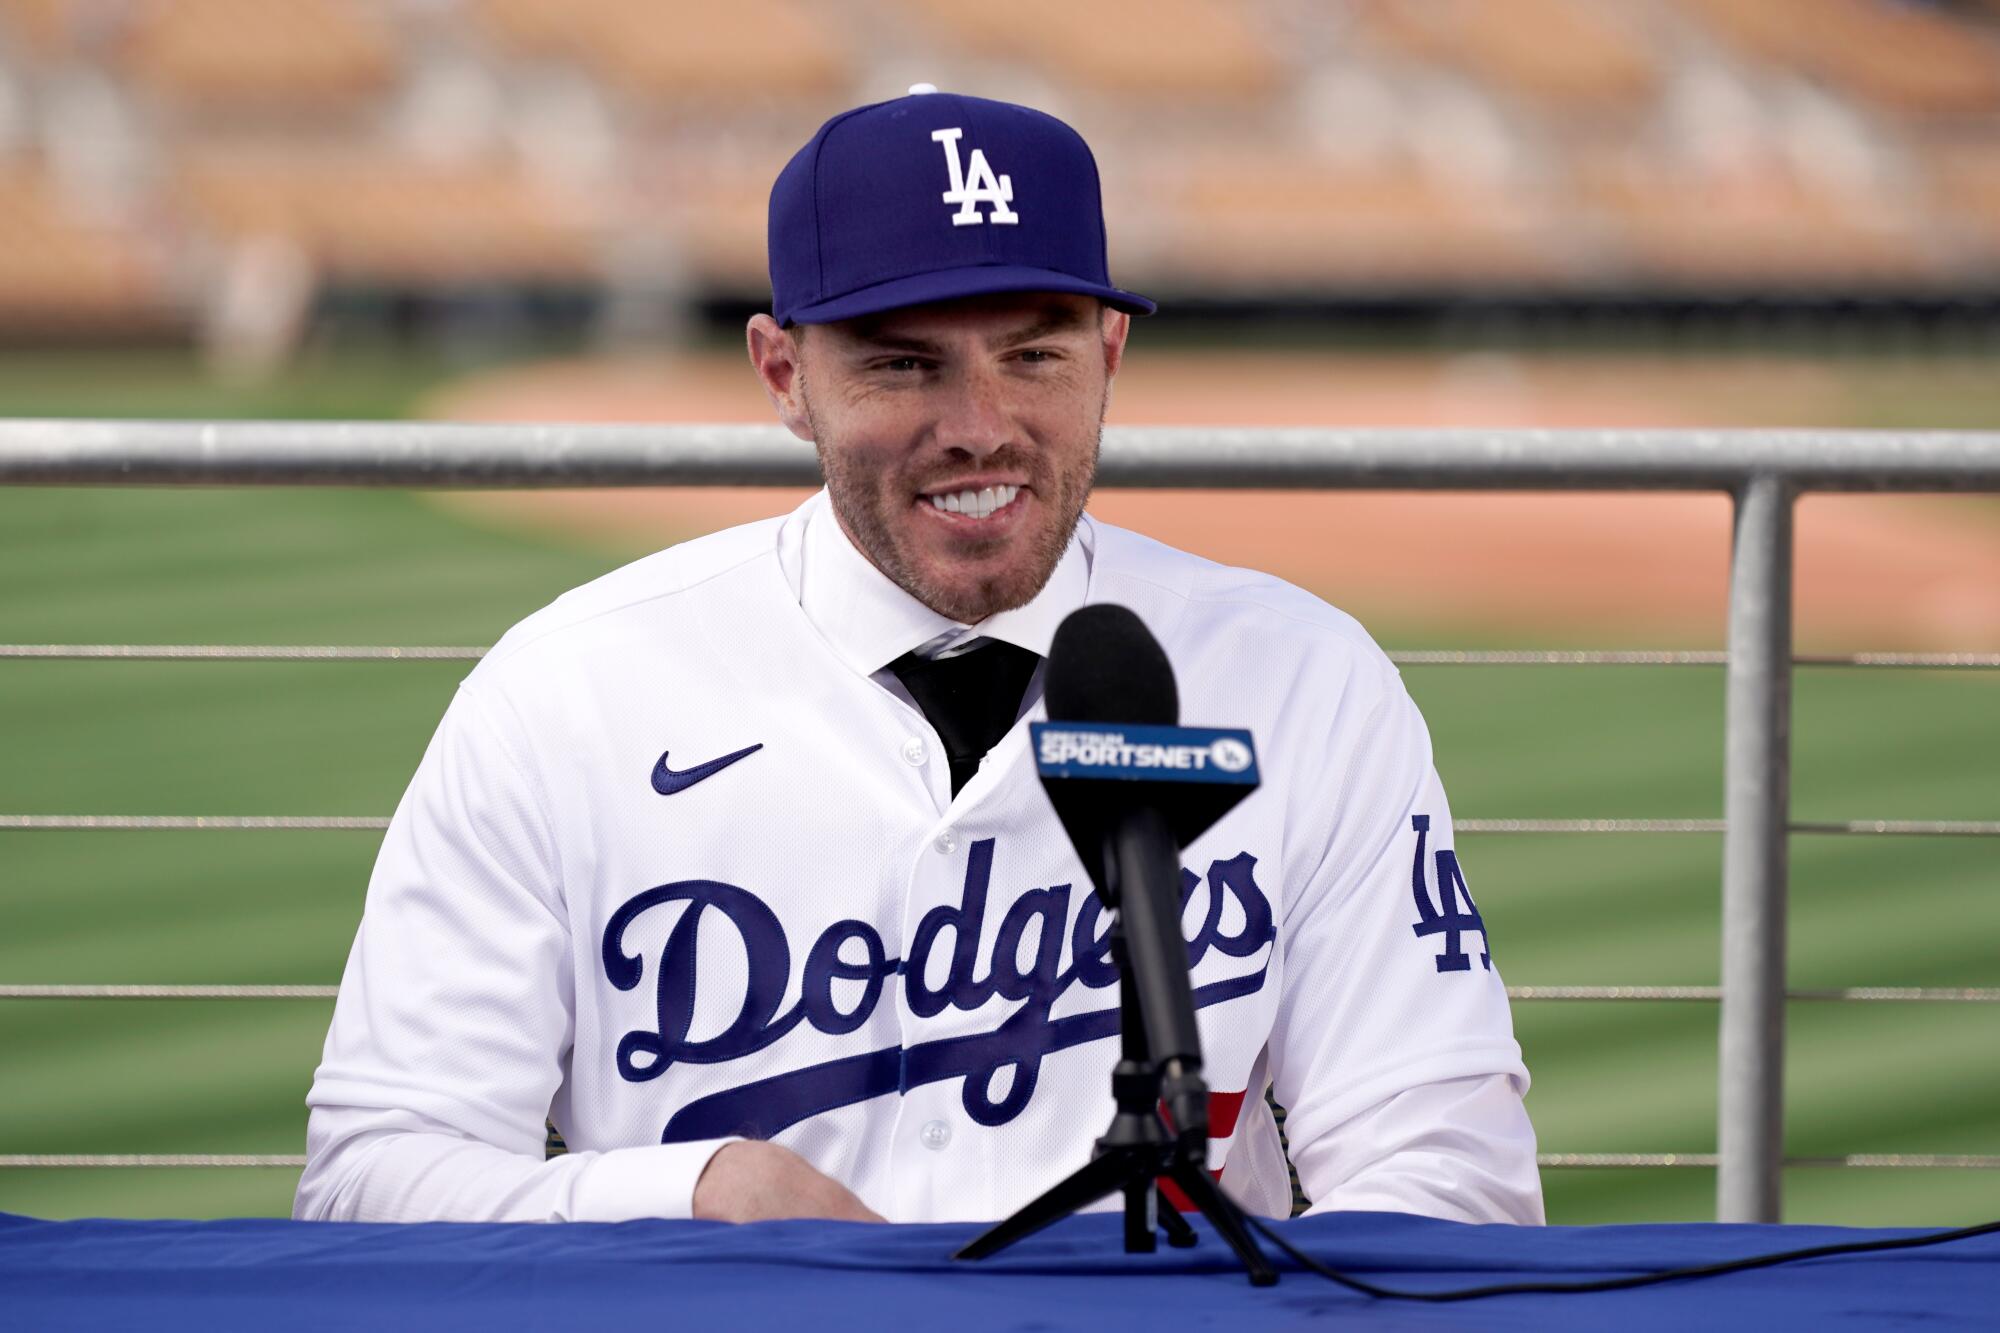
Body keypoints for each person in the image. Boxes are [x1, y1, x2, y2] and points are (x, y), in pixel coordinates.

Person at [295, 88, 1543, 1228]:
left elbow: (1444, 1162)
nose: (979, 427)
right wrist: (691, 1190)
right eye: (902, 361)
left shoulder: (1305, 679)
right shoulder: (562, 694)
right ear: (784, 374)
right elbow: (371, 1173)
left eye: (1034, 352)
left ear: (1109, 354)